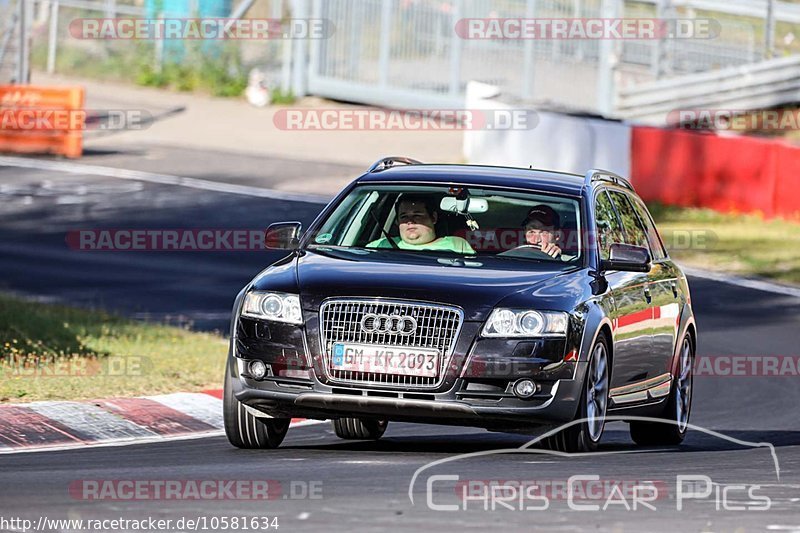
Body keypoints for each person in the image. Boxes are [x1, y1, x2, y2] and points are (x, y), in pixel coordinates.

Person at [367, 194, 475, 254]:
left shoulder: (456, 245)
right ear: (397, 222)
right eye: (404, 217)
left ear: (433, 218)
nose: (410, 221)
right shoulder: (379, 246)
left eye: (417, 215)